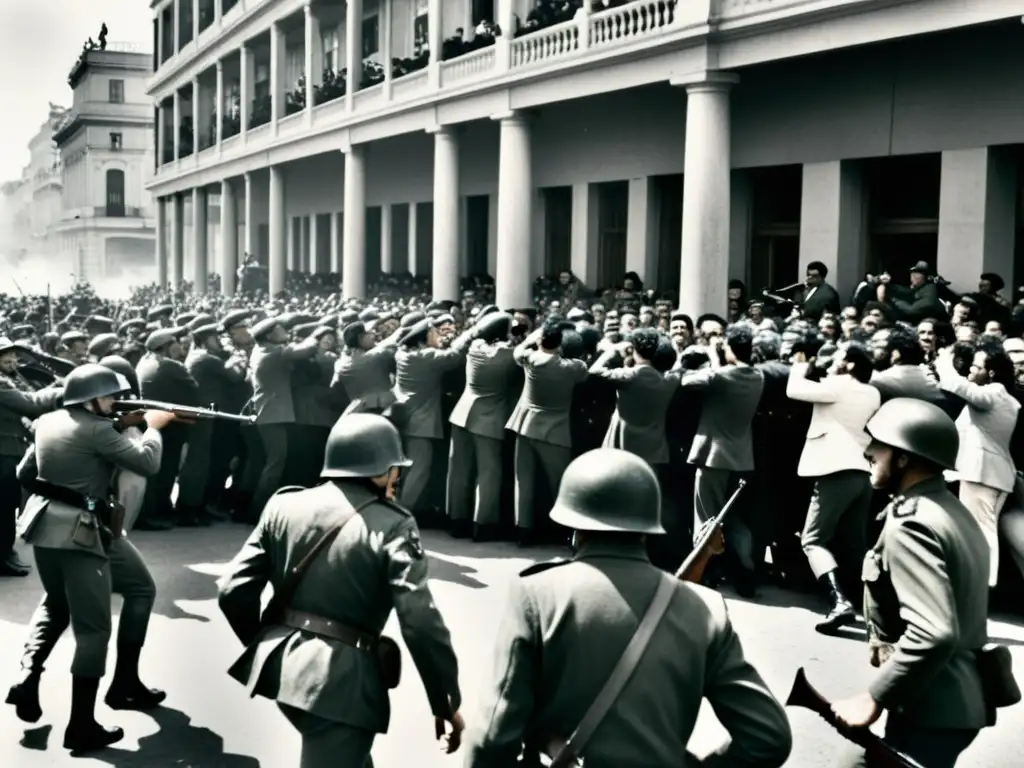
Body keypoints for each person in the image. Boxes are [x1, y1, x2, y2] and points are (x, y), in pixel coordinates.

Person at [464, 447, 793, 768]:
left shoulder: (537, 594)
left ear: (574, 530)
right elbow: (768, 737)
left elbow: (491, 740)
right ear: (648, 530)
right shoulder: (706, 610)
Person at [217, 413, 465, 767]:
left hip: (284, 670)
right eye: (396, 468)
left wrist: (268, 645)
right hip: (341, 685)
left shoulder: (283, 504)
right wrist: (445, 703)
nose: (398, 476)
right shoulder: (394, 524)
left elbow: (232, 590)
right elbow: (420, 621)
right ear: (379, 470)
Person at [5, 363, 176, 752]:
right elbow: (148, 463)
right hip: (83, 532)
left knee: (131, 588)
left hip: (50, 525)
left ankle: (36, 675)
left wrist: (70, 485)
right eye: (110, 395)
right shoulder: (98, 429)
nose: (115, 401)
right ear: (92, 399)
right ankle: (81, 725)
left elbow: (25, 474)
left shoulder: (48, 421)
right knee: (94, 629)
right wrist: (152, 428)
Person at [832, 398, 991, 768]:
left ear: (903, 458)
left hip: (933, 705)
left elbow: (934, 632)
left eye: (879, 445)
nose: (869, 452)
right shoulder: (951, 511)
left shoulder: (912, 523)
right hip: (949, 703)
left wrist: (874, 697)